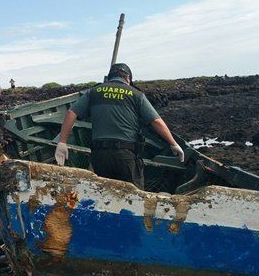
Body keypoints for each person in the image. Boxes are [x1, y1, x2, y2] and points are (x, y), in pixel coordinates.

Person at [54, 63, 184, 189]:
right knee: (134, 198)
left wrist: (62, 142)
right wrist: (173, 143)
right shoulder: (137, 94)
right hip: (125, 155)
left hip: (100, 156)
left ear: (109, 77)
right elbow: (156, 122)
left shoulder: (93, 91)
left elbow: (71, 113)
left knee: (104, 194)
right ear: (128, 78)